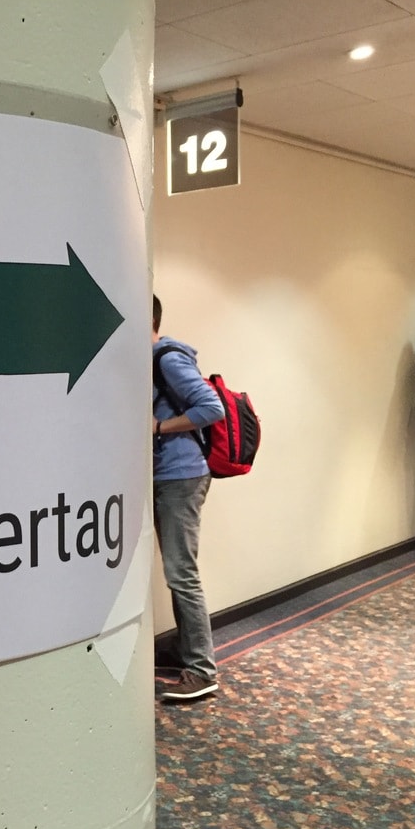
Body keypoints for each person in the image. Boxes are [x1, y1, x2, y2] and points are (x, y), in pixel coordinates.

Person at [152, 295, 225, 702]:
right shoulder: (152, 359)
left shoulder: (167, 359)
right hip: (167, 475)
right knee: (177, 569)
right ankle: (186, 650)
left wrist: (159, 427)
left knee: (181, 573)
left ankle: (201, 669)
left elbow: (212, 408)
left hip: (181, 476)